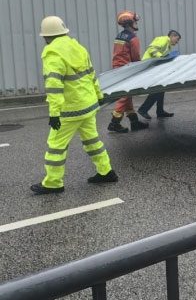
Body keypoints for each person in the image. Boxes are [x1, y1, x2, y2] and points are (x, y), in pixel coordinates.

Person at [31, 16, 118, 194]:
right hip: (88, 105)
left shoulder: (52, 53)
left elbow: (54, 86)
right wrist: (99, 95)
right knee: (92, 140)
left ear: (46, 36)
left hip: (70, 110)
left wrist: (54, 113)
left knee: (56, 146)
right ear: (64, 31)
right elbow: (91, 74)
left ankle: (53, 183)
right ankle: (106, 171)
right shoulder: (78, 47)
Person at [108, 10, 149, 133]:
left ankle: (134, 122)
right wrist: (140, 68)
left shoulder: (119, 36)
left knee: (127, 94)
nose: (136, 24)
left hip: (118, 67)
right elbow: (136, 57)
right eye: (135, 21)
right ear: (130, 23)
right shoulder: (133, 38)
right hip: (127, 69)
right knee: (124, 96)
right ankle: (114, 123)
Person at [138, 30, 182, 120]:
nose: (177, 42)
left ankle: (160, 111)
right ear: (172, 36)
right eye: (177, 40)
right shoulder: (164, 40)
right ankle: (143, 109)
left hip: (152, 67)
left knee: (161, 88)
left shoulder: (168, 46)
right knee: (157, 89)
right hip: (148, 66)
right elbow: (151, 49)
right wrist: (161, 57)